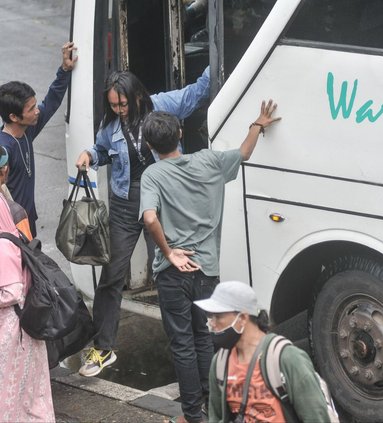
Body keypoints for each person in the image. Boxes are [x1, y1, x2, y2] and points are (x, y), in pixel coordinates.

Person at [139, 100, 280, 423]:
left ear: (149, 145)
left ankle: (193, 415)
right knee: (205, 338)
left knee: (182, 344)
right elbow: (244, 153)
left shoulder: (153, 175)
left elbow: (149, 219)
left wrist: (170, 251)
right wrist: (257, 124)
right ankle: (215, 404)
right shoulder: (209, 161)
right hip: (206, 271)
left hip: (172, 274)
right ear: (179, 133)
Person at [76, 67, 210, 378]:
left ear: (137, 97)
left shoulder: (162, 106)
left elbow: (197, 91)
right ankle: (103, 348)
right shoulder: (111, 124)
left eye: (122, 105)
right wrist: (89, 156)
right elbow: (102, 151)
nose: (119, 111)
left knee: (169, 273)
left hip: (161, 204)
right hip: (125, 205)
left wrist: (226, 46)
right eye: (113, 105)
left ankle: (185, 344)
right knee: (111, 276)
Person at [194, 280, 331, 423]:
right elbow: (216, 417)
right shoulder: (220, 363)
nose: (212, 323)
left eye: (218, 317)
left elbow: (316, 417)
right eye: (211, 317)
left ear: (242, 318)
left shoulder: (286, 358)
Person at [0, 41, 77, 238]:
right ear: (14, 117)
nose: (37, 111)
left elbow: (51, 102)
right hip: (10, 229)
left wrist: (65, 69)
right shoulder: (3, 149)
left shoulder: (27, 130)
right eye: (31, 109)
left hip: (27, 221)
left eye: (35, 105)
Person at [0, 147, 54, 422]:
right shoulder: (13, 210)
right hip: (22, 322)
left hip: (13, 328)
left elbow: (10, 290)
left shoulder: (3, 238)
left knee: (14, 393)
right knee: (28, 393)